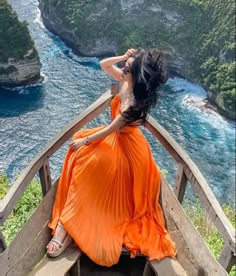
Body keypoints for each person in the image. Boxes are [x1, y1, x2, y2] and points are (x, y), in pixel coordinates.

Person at [46, 48, 177, 266]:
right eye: (125, 66)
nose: (123, 69)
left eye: (127, 68)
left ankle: (67, 226)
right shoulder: (126, 82)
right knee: (83, 156)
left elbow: (110, 130)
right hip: (117, 141)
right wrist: (124, 58)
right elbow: (104, 65)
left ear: (134, 75)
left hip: (129, 150)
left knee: (87, 158)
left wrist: (85, 142)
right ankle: (69, 223)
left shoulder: (133, 103)